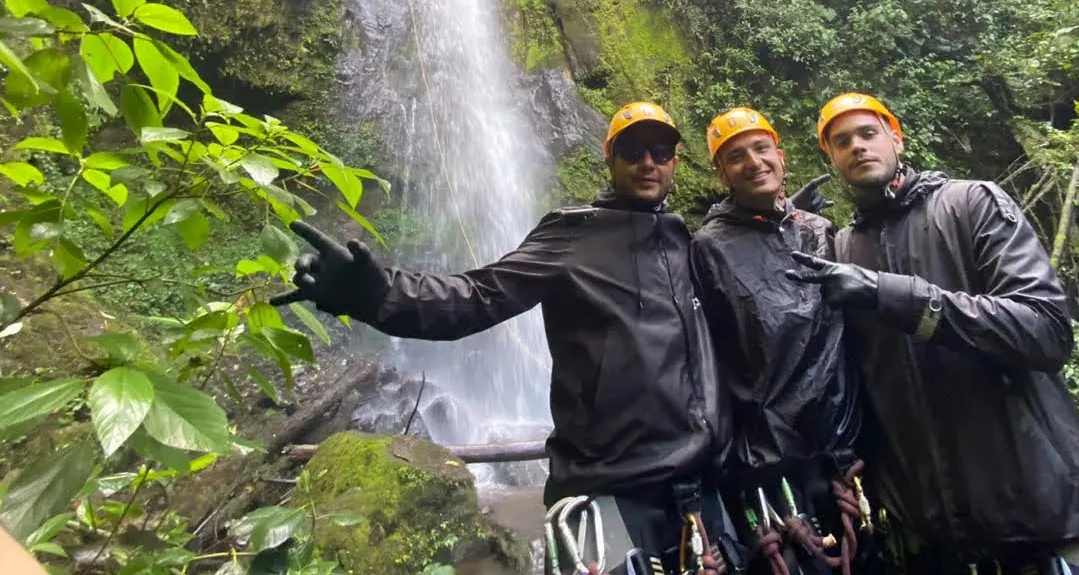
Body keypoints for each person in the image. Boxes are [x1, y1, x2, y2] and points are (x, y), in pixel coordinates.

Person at [274, 101, 736, 575]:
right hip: (610, 486)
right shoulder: (573, 234)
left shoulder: (683, 241)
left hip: (699, 486)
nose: (648, 163)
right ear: (610, 159)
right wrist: (374, 294)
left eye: (660, 152)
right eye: (633, 151)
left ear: (675, 162)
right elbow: (478, 296)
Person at [787, 93, 1079, 575]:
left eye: (868, 133)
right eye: (842, 142)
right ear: (832, 158)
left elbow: (1046, 330)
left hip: (1043, 520)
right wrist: (782, 230)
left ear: (896, 138)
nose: (857, 146)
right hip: (935, 536)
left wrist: (895, 296)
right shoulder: (844, 248)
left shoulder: (971, 203)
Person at [691, 108, 867, 575]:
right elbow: (709, 360)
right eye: (736, 157)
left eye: (761, 148)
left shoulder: (818, 230)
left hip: (844, 450)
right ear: (722, 172)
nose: (753, 162)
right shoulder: (709, 248)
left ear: (780, 155)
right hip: (766, 461)